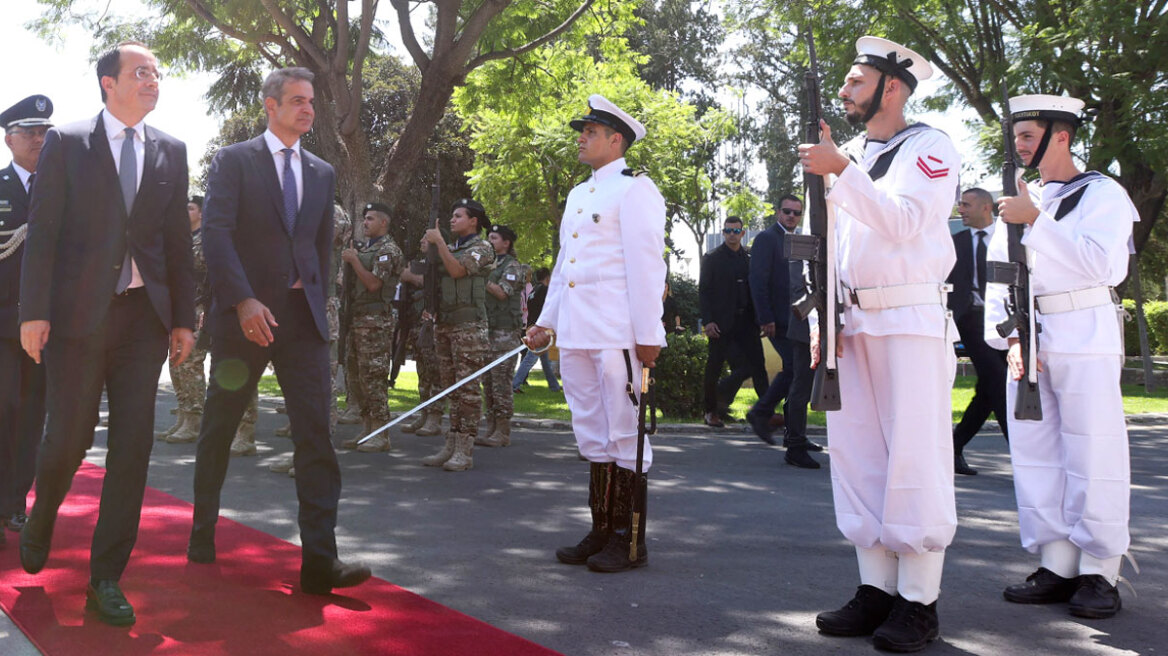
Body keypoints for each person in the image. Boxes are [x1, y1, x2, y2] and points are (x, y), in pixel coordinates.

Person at [18, 42, 196, 626]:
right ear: (107, 82)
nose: (152, 80)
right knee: (67, 438)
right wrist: (32, 312)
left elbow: (176, 245)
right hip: (76, 320)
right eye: (141, 72)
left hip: (143, 321)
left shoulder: (171, 149)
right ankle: (43, 513)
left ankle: (105, 578)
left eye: (156, 73)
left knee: (133, 447)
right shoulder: (68, 143)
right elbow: (42, 232)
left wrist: (183, 318)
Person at [798, 37, 960, 651]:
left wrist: (840, 169)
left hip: (909, 320)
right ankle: (876, 590)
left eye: (856, 82)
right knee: (858, 458)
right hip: (851, 324)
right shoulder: (855, 153)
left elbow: (903, 222)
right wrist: (823, 320)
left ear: (892, 88)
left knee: (913, 461)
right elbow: (835, 249)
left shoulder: (930, 147)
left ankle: (919, 601)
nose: (845, 92)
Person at [187, 66, 371, 596]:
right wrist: (243, 300)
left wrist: (321, 305)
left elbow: (318, 249)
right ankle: (202, 533)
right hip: (244, 321)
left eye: (311, 101)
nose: (307, 109)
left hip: (303, 321)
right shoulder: (234, 160)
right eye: (296, 100)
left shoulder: (321, 171)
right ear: (270, 105)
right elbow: (215, 236)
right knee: (219, 428)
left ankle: (320, 563)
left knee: (316, 435)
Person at [987, 94, 1135, 619]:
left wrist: (1037, 222)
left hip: (1084, 330)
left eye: (1028, 136)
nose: (1019, 145)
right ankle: (1056, 562)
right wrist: (1008, 337)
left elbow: (1103, 265)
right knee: (1035, 453)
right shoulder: (1020, 198)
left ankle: (1099, 570)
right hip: (1030, 335)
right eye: (1018, 137)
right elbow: (998, 275)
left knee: (1092, 452)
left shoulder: (1103, 194)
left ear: (1062, 136)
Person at [527, 94, 667, 573]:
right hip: (579, 329)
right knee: (591, 430)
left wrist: (650, 334)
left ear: (616, 140)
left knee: (625, 432)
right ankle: (601, 528)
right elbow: (567, 265)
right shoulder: (579, 194)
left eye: (590, 132)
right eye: (582, 131)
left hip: (617, 332)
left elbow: (648, 267)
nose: (582, 139)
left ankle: (630, 540)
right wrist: (547, 322)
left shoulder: (635, 189)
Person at [0, 95, 52, 541]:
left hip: (48, 326)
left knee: (33, 415)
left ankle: (16, 503)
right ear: (8, 138)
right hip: (1, 324)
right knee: (3, 410)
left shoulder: (63, 188)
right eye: (30, 132)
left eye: (44, 132)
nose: (39, 138)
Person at [418, 198, 495, 471]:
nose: (452, 220)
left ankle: (465, 449)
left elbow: (458, 270)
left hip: (470, 327)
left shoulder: (482, 248)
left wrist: (438, 243)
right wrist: (430, 251)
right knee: (451, 388)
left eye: (458, 216)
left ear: (473, 221)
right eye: (451, 215)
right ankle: (450, 443)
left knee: (468, 390)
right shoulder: (453, 247)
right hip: (446, 324)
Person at [745, 196, 822, 468]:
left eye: (797, 213)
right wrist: (765, 317)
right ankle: (762, 413)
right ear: (778, 212)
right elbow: (758, 280)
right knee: (794, 371)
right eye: (787, 211)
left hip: (796, 319)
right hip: (777, 319)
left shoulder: (798, 238)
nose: (791, 216)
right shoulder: (767, 238)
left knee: (798, 373)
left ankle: (791, 433)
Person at [948, 187, 1009, 475]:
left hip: (1006, 321)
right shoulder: (954, 242)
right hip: (971, 320)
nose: (961, 209)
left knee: (988, 388)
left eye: (967, 204)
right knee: (999, 380)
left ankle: (954, 446)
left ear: (987, 207)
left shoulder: (1010, 239)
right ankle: (1022, 454)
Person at [338, 202, 403, 452]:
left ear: (383, 223)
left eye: (370, 219)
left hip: (376, 322)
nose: (365, 222)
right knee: (356, 376)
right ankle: (367, 429)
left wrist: (354, 261)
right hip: (356, 319)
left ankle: (381, 432)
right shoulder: (367, 248)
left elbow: (374, 284)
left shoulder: (389, 251)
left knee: (374, 378)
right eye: (364, 218)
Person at [699, 216, 767, 428]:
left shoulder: (749, 257)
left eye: (736, 231)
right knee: (714, 367)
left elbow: (758, 288)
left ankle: (764, 414)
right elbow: (704, 292)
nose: (732, 235)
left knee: (757, 367)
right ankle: (711, 411)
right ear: (723, 232)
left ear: (743, 233)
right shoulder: (712, 258)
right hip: (721, 323)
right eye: (728, 231)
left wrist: (764, 318)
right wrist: (708, 321)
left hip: (748, 321)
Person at [479, 224, 525, 447]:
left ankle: (503, 431)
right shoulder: (490, 265)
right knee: (487, 383)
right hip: (487, 331)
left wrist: (482, 279)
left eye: (494, 237)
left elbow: (502, 292)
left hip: (505, 334)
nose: (490, 240)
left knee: (501, 383)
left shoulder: (513, 267)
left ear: (506, 243)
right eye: (488, 236)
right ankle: (491, 428)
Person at [399, 257, 445, 436]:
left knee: (435, 374)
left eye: (426, 239)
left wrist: (410, 276)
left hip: (431, 325)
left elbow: (432, 283)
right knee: (423, 374)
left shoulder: (440, 260)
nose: (422, 241)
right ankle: (424, 412)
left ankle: (435, 417)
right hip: (416, 323)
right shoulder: (421, 260)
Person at [512, 267, 562, 393]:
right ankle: (514, 384)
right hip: (539, 329)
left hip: (532, 325)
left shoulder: (533, 290)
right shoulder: (545, 290)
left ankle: (554, 386)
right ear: (547, 278)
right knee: (530, 359)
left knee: (545, 360)